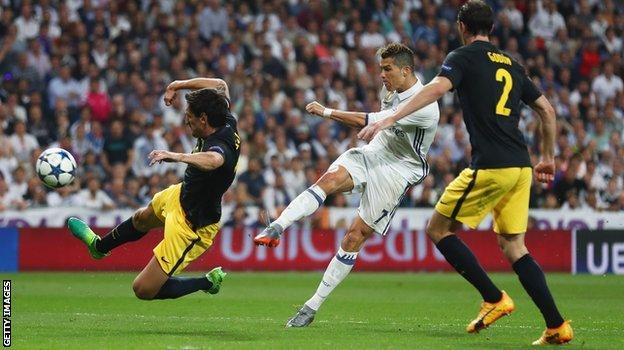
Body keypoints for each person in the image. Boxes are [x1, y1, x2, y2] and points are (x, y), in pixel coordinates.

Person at [358, 1, 572, 345]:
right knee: (514, 245)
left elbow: (437, 89)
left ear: (462, 26)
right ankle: (557, 325)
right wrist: (547, 156)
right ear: (492, 28)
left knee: (438, 228)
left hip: (492, 165)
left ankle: (493, 298)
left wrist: (390, 117)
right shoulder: (512, 64)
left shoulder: (462, 57)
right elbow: (546, 109)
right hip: (521, 166)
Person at [254, 43, 440, 327]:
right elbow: (376, 123)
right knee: (328, 180)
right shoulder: (389, 89)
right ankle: (277, 226)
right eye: (380, 69)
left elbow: (368, 119)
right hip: (375, 152)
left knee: (354, 237)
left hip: (399, 170)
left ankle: (311, 306)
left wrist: (326, 112)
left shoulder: (425, 104)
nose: (382, 75)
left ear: (406, 70)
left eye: (387, 69)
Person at [67, 78, 240, 300]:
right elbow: (220, 84)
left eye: (189, 118)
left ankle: (206, 282)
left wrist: (175, 156)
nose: (186, 122)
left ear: (203, 119)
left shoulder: (221, 143)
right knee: (141, 218)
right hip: (181, 195)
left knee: (143, 289)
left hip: (193, 226)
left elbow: (215, 160)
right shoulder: (224, 116)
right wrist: (176, 85)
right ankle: (99, 247)